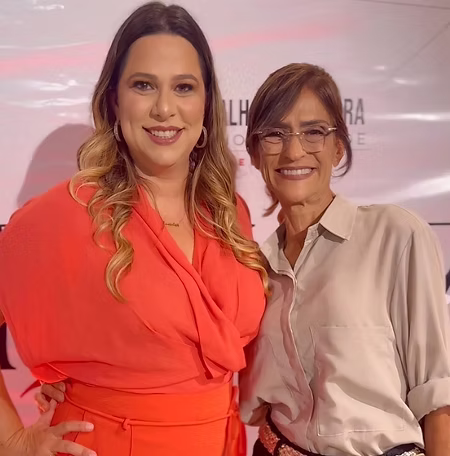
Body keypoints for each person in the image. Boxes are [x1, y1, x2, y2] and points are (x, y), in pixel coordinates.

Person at [0, 2, 267, 455]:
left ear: (205, 103)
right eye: (143, 85)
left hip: (223, 441)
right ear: (114, 99)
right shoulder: (66, 213)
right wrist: (12, 440)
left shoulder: (230, 213)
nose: (164, 108)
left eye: (184, 87)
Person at [239, 63, 450, 456]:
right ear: (254, 152)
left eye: (313, 132)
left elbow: (438, 395)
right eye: (275, 134)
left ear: (338, 146)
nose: (294, 151)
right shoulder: (254, 266)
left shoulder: (395, 235)